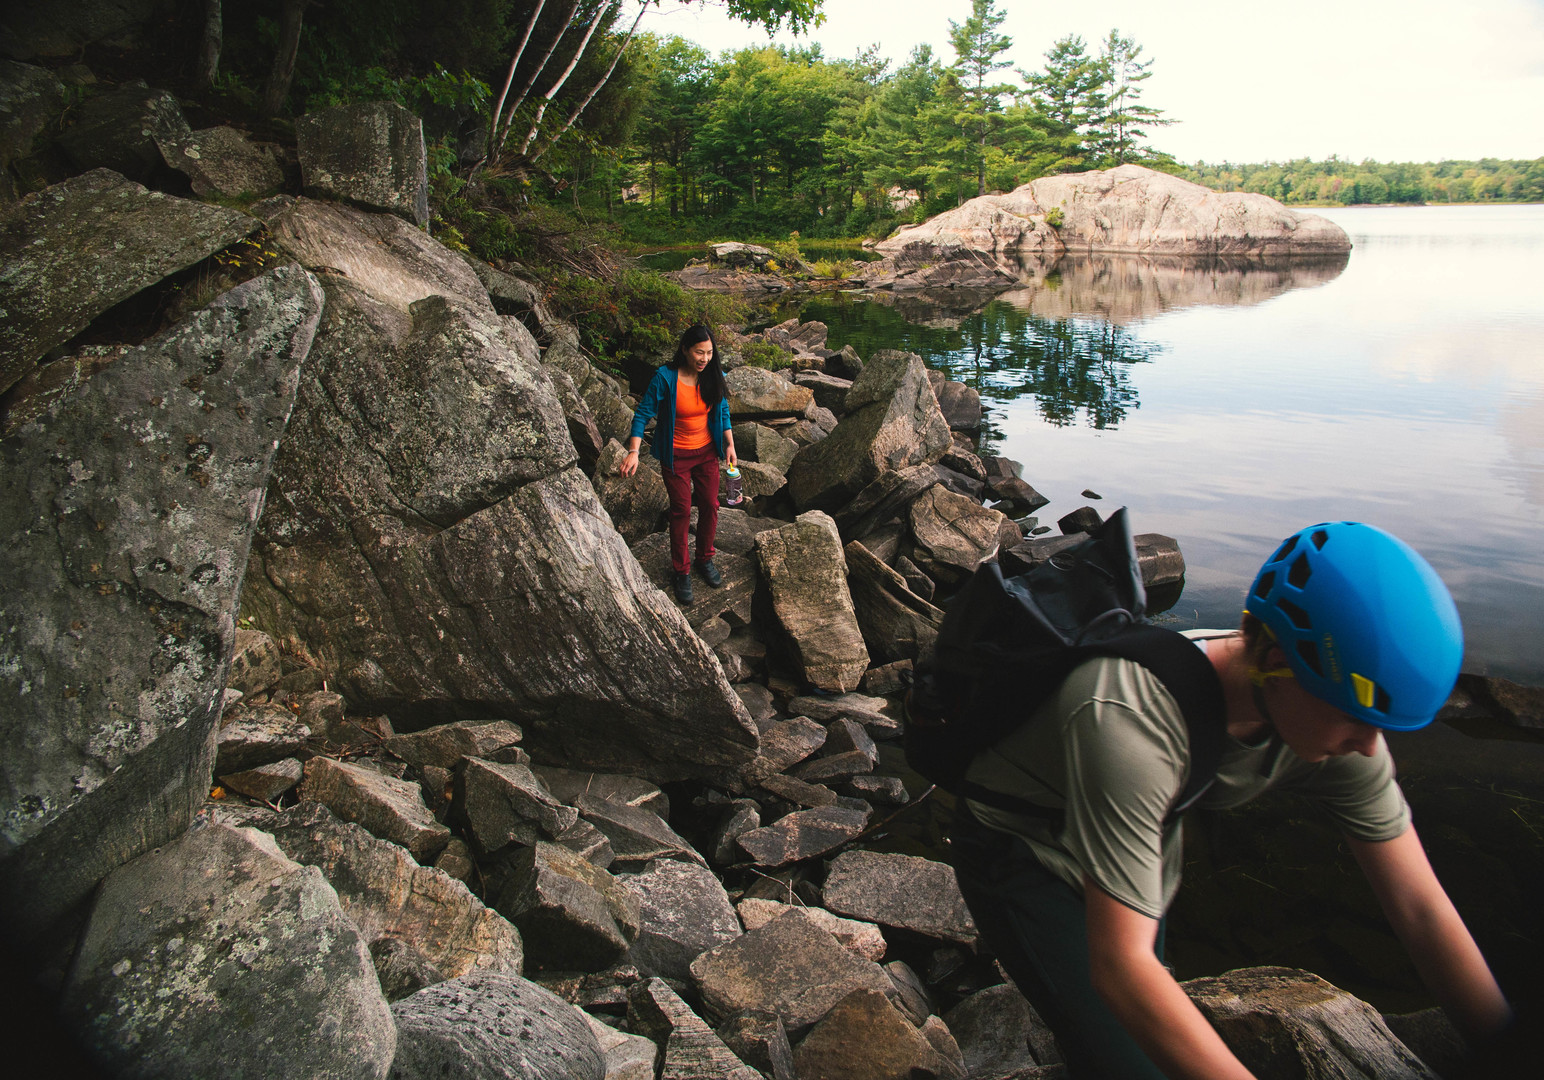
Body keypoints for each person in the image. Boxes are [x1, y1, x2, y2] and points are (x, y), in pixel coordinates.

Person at [946, 521, 1513, 1079]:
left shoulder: (1333, 727)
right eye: (1355, 718)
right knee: (1136, 1057)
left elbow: (1419, 906)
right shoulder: (1131, 721)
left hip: (1135, 829)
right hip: (1021, 847)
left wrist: (1507, 1050)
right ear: (1274, 663)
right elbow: (1123, 969)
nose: (1370, 747)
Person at [620, 325, 737, 604]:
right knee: (682, 510)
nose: (704, 358)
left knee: (711, 504)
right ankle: (681, 570)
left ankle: (704, 558)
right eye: (699, 352)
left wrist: (730, 444)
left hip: (707, 452)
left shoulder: (714, 375)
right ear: (685, 349)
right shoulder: (666, 377)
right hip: (676, 456)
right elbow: (643, 413)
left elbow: (722, 410)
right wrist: (634, 451)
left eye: (709, 353)